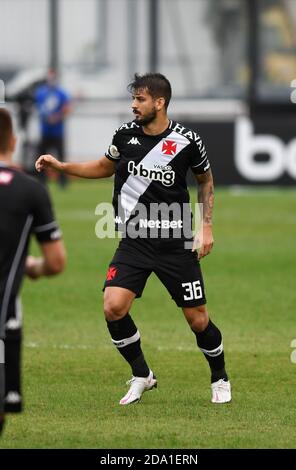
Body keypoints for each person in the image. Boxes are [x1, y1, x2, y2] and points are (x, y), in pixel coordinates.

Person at [35, 73, 232, 406]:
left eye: (140, 100)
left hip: (175, 243)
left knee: (197, 319)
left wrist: (206, 226)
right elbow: (103, 166)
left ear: (160, 102)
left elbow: (206, 181)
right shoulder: (125, 135)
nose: (133, 105)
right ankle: (142, 374)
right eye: (133, 99)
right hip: (135, 241)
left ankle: (220, 377)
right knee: (113, 307)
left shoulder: (186, 140)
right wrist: (62, 166)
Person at [0, 108, 66, 435]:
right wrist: (32, 267)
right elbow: (55, 262)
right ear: (13, 141)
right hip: (4, 314)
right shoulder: (31, 190)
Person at [34, 68, 72, 187]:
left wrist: (57, 117)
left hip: (58, 131)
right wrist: (46, 117)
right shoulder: (40, 92)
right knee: (41, 156)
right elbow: (38, 107)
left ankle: (62, 181)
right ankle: (41, 180)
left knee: (60, 157)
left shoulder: (61, 92)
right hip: (45, 131)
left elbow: (67, 108)